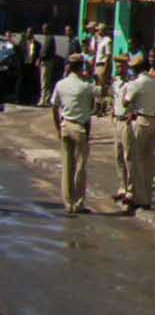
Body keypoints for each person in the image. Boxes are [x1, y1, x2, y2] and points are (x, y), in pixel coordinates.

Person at [114, 52, 155, 215]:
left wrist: (127, 93)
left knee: (136, 162)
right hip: (153, 121)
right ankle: (147, 198)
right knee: (148, 163)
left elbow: (125, 102)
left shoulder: (136, 83)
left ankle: (139, 199)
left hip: (140, 122)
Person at [49, 54, 95, 215]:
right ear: (81, 66)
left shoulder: (60, 84)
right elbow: (92, 107)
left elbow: (54, 107)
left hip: (65, 125)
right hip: (80, 127)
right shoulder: (85, 86)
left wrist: (57, 128)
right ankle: (79, 203)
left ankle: (68, 203)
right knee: (80, 167)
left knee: (67, 167)